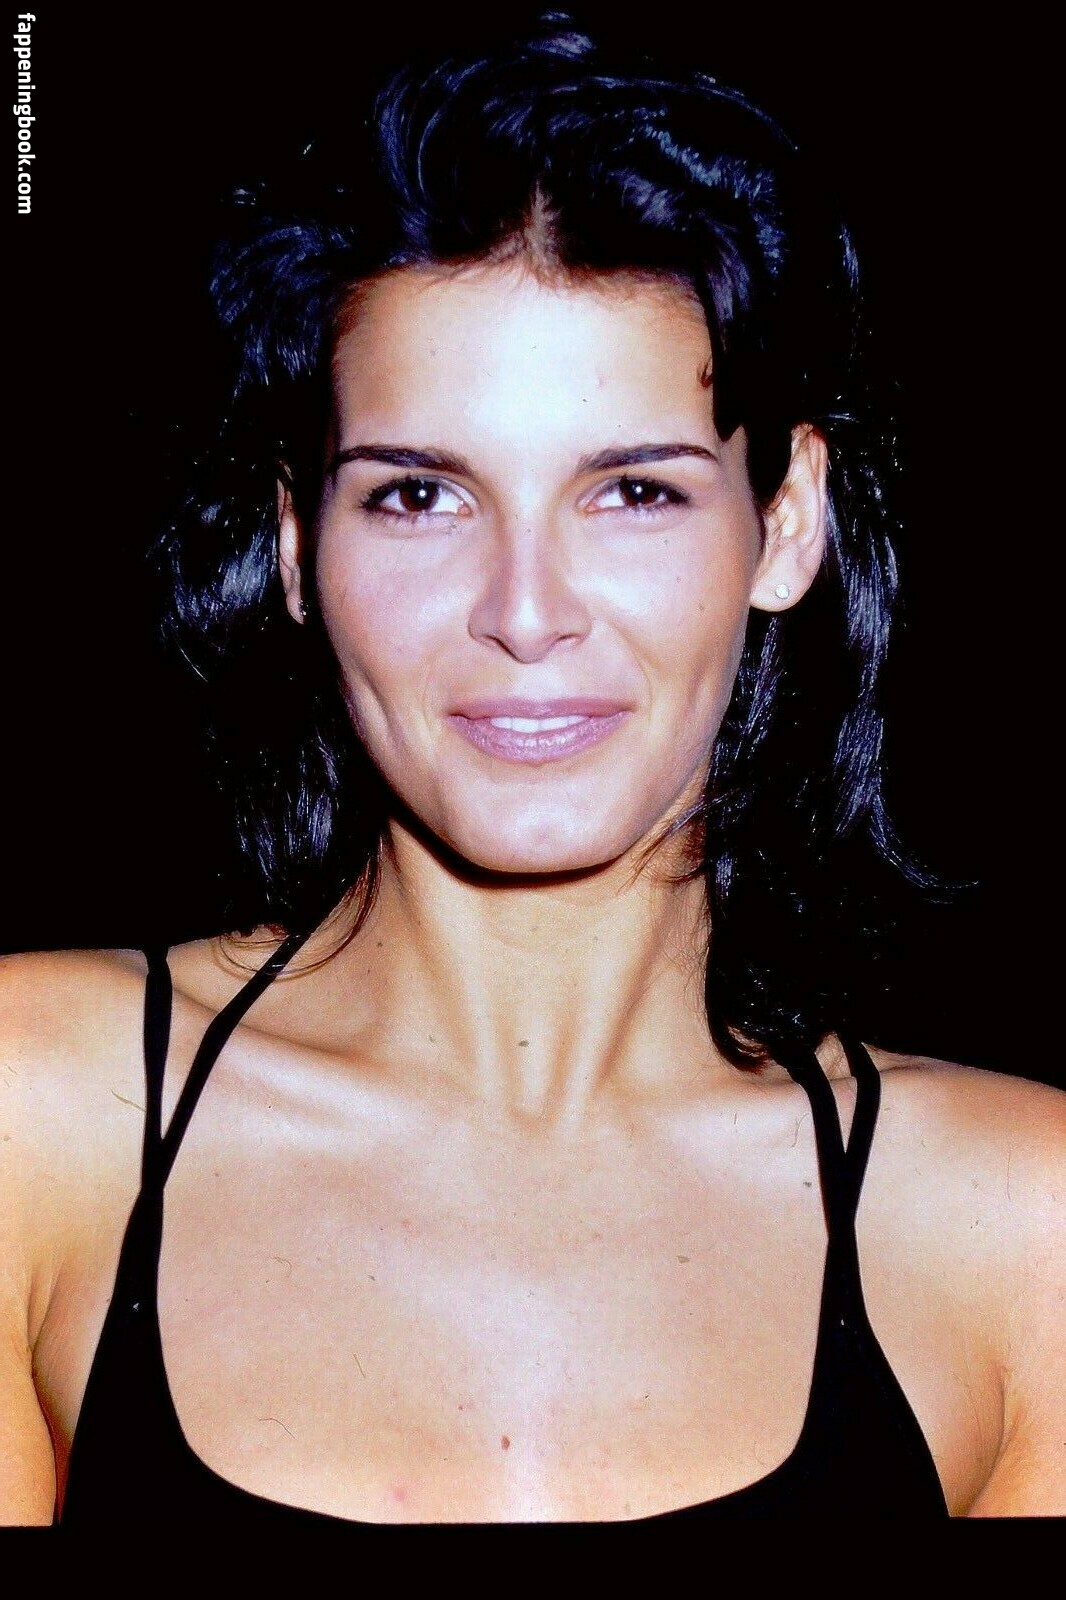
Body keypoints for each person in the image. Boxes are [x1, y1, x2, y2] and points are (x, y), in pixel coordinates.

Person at [2, 19, 1062, 1526]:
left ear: (784, 526)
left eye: (631, 491)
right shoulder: (42, 1114)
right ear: (298, 547)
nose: (524, 611)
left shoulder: (1016, 1228)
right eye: (418, 497)